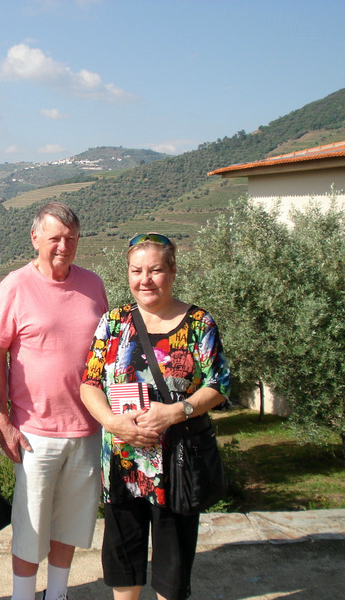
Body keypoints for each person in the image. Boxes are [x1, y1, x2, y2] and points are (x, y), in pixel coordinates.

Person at [80, 232, 231, 600]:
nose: (144, 279)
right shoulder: (114, 322)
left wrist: (177, 411)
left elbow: (220, 383)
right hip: (122, 461)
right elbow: (89, 382)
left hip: (177, 462)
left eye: (155, 270)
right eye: (136, 271)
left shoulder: (199, 323)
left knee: (173, 566)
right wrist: (112, 423)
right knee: (123, 560)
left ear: (173, 271)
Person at [0, 202, 109, 600]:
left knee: (69, 524)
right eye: (54, 238)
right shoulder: (15, 285)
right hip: (34, 431)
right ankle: (23, 596)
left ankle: (57, 594)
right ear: (35, 238)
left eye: (71, 239)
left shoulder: (93, 285)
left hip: (87, 428)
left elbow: (108, 354)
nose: (63, 246)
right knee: (31, 526)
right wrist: (2, 421)